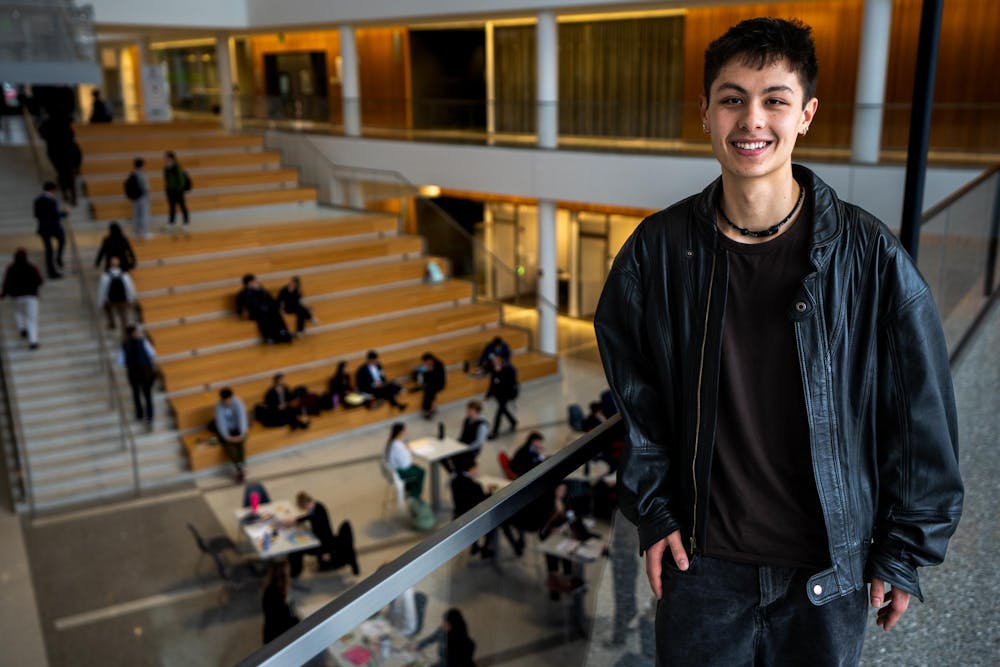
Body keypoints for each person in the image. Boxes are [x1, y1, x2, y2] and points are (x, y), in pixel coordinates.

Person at [593, 18, 963, 666]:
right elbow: (636, 396)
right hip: (702, 570)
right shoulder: (656, 251)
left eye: (774, 100)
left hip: (825, 576)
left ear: (807, 114)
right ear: (705, 112)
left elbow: (920, 417)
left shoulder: (870, 257)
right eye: (732, 98)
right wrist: (653, 509)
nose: (751, 120)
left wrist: (905, 551)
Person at [450, 459, 523, 559]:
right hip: (472, 517)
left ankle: (476, 546)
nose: (476, 471)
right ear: (470, 469)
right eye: (475, 469)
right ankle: (489, 548)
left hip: (460, 513)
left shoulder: (455, 480)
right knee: (500, 520)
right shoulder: (474, 485)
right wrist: (490, 491)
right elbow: (483, 500)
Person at [286, 491, 359, 579]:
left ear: (306, 503)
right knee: (299, 547)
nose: (305, 510)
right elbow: (309, 516)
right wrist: (296, 520)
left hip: (324, 545)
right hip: (321, 541)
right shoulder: (317, 506)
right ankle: (295, 569)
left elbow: (325, 534)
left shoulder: (318, 512)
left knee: (298, 549)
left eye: (304, 507)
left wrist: (326, 552)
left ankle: (294, 572)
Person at [0, 249, 44, 350]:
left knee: (18, 313)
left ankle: (22, 329)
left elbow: (6, 284)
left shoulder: (11, 269)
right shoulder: (32, 268)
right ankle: (33, 341)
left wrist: (3, 295)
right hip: (31, 297)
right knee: (32, 319)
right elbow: (40, 281)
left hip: (16, 297)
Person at [117, 324, 157, 430]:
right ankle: (149, 417)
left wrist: (130, 363)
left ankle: (140, 415)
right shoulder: (142, 342)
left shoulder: (125, 345)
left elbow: (120, 362)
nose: (138, 333)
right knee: (146, 395)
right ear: (133, 333)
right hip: (145, 373)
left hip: (134, 374)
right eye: (136, 332)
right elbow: (152, 354)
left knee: (137, 394)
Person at [236, 274, 292, 344]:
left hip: (266, 310)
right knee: (265, 318)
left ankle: (284, 334)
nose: (256, 283)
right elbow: (247, 305)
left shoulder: (261, 290)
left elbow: (270, 299)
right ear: (249, 283)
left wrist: (260, 291)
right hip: (255, 313)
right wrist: (241, 314)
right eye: (254, 282)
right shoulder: (244, 293)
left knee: (277, 316)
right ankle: (271, 337)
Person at [208, 387, 249, 483]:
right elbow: (221, 424)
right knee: (228, 446)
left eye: (228, 400)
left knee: (241, 444)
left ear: (232, 398)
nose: (227, 403)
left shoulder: (238, 403)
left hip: (238, 428)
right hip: (228, 431)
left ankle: (240, 468)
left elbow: (242, 419)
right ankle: (240, 468)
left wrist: (241, 435)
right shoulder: (218, 406)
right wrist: (228, 437)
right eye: (224, 401)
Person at [440, 401, 488, 474]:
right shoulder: (467, 420)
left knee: (457, 459)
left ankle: (458, 474)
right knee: (442, 455)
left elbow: (479, 443)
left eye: (469, 410)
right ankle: (454, 474)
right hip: (462, 445)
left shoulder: (482, 425)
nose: (467, 412)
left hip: (471, 449)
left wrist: (465, 448)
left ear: (476, 411)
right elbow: (463, 435)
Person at [97, 255, 137, 335]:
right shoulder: (125, 275)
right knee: (124, 318)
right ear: (119, 264)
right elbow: (130, 288)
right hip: (123, 300)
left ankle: (112, 323)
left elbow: (102, 290)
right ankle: (125, 335)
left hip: (112, 300)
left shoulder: (105, 276)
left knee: (107, 308)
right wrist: (131, 299)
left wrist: (100, 302)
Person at [33, 181, 66, 279]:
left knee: (49, 251)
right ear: (52, 189)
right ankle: (58, 258)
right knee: (61, 241)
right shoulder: (52, 200)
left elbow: (36, 215)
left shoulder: (37, 200)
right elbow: (55, 215)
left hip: (44, 228)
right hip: (54, 227)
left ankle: (52, 271)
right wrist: (65, 213)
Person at [261, 560, 299, 644]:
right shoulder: (278, 596)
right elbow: (287, 622)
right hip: (278, 639)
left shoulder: (269, 590)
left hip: (269, 634)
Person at [385, 422, 425, 499]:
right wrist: (408, 451)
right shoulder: (398, 446)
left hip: (392, 468)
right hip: (399, 471)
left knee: (416, 467)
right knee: (421, 472)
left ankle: (408, 487)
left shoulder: (390, 442)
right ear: (401, 432)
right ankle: (415, 495)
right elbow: (405, 465)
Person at [485, 354, 517, 439]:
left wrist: (499, 375)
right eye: (494, 362)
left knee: (499, 412)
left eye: (496, 362)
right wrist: (488, 395)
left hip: (507, 393)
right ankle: (513, 421)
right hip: (498, 394)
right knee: (503, 409)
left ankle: (495, 432)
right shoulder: (494, 370)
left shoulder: (508, 370)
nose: (494, 363)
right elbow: (492, 384)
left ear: (500, 362)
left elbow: (511, 382)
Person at [163, 151, 190, 230]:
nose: (165, 159)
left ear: (171, 158)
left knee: (182, 206)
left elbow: (181, 180)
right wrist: (167, 190)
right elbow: (167, 180)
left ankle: (186, 222)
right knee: (171, 207)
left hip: (178, 191)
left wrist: (179, 190)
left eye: (166, 157)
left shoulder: (177, 166)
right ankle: (171, 222)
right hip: (170, 191)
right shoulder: (166, 168)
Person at [126, 157, 151, 239]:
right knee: (144, 215)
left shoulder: (132, 174)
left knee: (136, 215)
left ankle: (136, 233)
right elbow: (146, 187)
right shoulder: (142, 174)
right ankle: (145, 233)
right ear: (142, 165)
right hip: (142, 197)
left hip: (135, 198)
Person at [418, 352, 446, 419]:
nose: (425, 363)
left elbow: (434, 377)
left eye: (426, 361)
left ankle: (428, 410)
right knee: (429, 392)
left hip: (439, 384)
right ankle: (432, 409)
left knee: (428, 393)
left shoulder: (438, 365)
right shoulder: (431, 365)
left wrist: (428, 370)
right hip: (433, 383)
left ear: (430, 359)